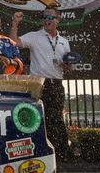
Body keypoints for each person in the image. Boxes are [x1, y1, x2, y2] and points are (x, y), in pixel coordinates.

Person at [9, 8, 71, 162]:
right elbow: (14, 42)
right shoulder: (35, 36)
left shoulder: (64, 41)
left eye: (50, 17)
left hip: (57, 83)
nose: (47, 19)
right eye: (44, 17)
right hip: (39, 84)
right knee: (38, 119)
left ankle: (62, 154)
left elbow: (67, 68)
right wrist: (15, 23)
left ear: (58, 20)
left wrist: (66, 65)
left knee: (56, 118)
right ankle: (39, 153)